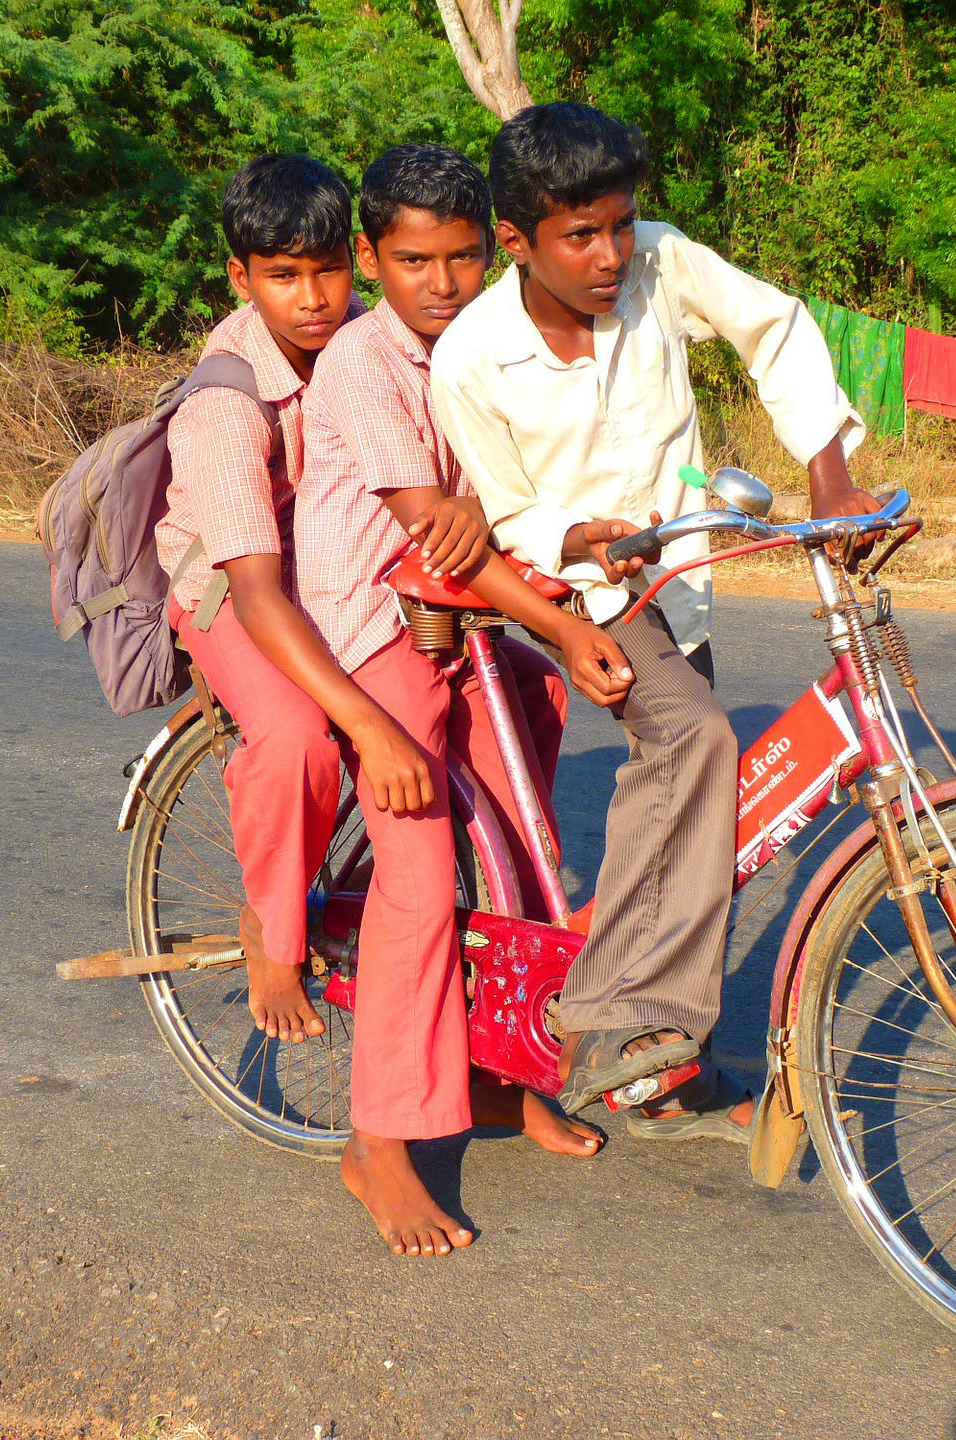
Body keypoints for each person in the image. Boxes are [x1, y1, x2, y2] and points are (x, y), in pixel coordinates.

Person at [431, 103, 883, 1142]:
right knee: (693, 740)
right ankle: (615, 1019)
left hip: (676, 573)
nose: (609, 254)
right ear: (517, 241)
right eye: (579, 236)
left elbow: (775, 328)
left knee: (707, 807)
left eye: (620, 225)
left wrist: (828, 470)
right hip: (574, 588)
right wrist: (577, 536)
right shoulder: (472, 358)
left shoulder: (662, 266)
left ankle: (676, 1065)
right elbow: (503, 512)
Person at [286, 143, 637, 1256]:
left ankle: (496, 1070)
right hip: (372, 622)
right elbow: (435, 520)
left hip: (464, 614)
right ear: (370, 259)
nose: (441, 283)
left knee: (529, 832)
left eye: (464, 258)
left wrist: (573, 545)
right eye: (414, 260)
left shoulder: (485, 345)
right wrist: (558, 614)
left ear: (495, 251)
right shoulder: (359, 364)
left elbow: (523, 493)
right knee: (422, 870)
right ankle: (378, 1140)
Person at [152, 153, 358, 1049]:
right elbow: (254, 585)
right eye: (282, 276)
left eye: (327, 270)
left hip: (331, 562)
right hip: (232, 585)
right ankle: (272, 931)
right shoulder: (225, 405)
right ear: (242, 278)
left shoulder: (369, 341)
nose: (312, 297)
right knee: (297, 735)